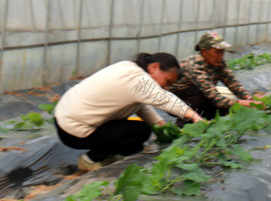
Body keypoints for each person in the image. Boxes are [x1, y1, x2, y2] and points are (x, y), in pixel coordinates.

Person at [54, 53, 205, 172]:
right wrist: (194, 116)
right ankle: (90, 160)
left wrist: (159, 123)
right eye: (167, 81)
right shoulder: (138, 80)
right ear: (154, 68)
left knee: (136, 137)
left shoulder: (128, 68)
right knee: (141, 131)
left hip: (64, 120)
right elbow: (165, 99)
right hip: (73, 131)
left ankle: (107, 155)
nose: (166, 87)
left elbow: (139, 105)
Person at [170, 32, 260, 121]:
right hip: (173, 102)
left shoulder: (218, 63)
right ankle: (182, 125)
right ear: (204, 51)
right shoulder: (195, 66)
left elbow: (232, 82)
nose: (221, 55)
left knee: (224, 110)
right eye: (217, 52)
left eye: (222, 51)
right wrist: (242, 102)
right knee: (200, 93)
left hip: (197, 97)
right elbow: (214, 96)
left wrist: (249, 98)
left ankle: (203, 122)